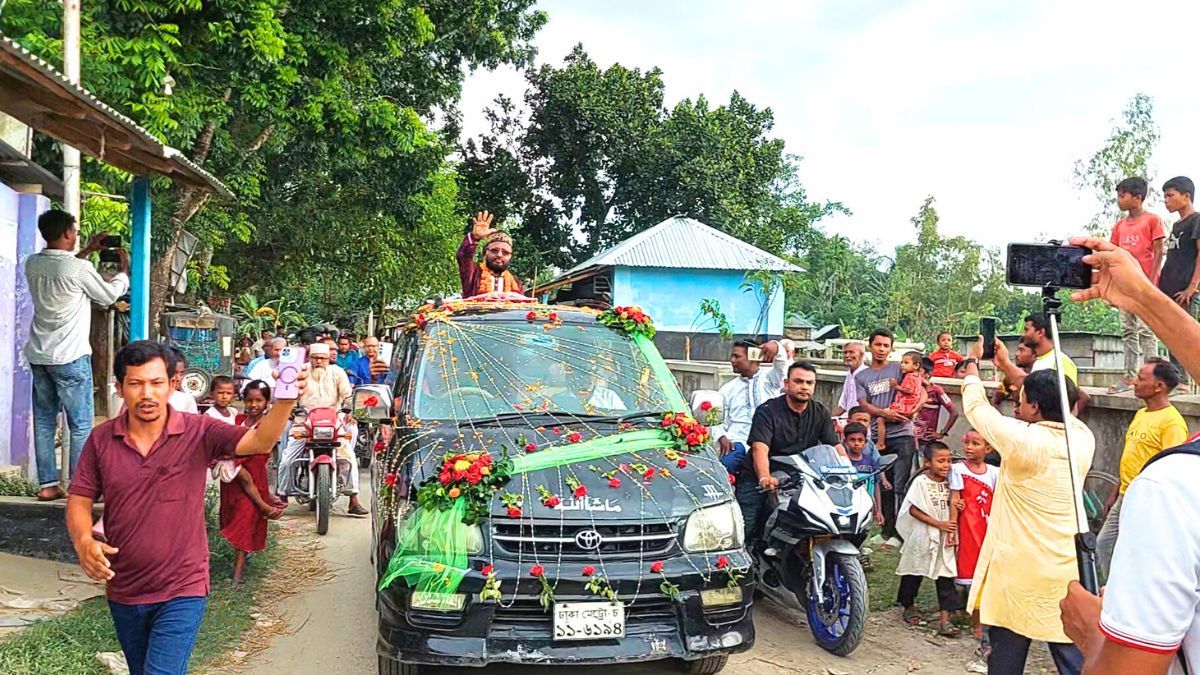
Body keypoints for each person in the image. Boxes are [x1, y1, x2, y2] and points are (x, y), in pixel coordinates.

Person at [66, 341, 305, 675]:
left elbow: (259, 442)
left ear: (172, 384)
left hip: (182, 586)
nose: (147, 393)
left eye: (156, 383)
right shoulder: (101, 439)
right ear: (119, 388)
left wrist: (286, 400)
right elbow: (80, 497)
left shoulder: (200, 431)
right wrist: (83, 541)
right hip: (123, 587)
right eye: (135, 384)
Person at [961, 343, 1093, 675]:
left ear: (1034, 406)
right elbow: (1054, 400)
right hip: (1065, 570)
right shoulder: (1082, 437)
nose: (1018, 403)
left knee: (1005, 656)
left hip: (1018, 571)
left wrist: (974, 367)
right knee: (1074, 657)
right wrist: (1006, 365)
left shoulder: (1023, 441)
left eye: (1023, 399)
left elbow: (977, 409)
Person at [25, 209, 130, 501]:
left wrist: (87, 250)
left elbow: (64, 269)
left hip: (40, 355)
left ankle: (47, 485)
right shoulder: (78, 269)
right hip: (70, 356)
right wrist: (124, 273)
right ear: (68, 233)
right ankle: (80, 488)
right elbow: (108, 296)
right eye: (74, 232)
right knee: (81, 424)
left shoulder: (32, 263)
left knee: (45, 421)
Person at [1095, 358, 1188, 578]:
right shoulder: (1141, 414)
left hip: (1146, 501)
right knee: (1104, 545)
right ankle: (1112, 590)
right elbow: (1131, 457)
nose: (1134, 383)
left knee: (1137, 552)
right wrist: (1116, 491)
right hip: (1124, 496)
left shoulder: (1172, 423)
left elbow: (1172, 469)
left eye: (1141, 378)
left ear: (1159, 387)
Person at [744, 361, 840, 544]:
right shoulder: (767, 411)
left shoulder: (820, 412)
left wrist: (849, 470)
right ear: (786, 384)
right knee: (747, 525)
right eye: (799, 381)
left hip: (802, 476)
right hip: (762, 476)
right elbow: (759, 448)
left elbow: (834, 445)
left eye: (809, 383)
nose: (804, 386)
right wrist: (764, 477)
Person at [278, 342, 368, 515]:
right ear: (309, 358)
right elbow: (289, 394)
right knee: (287, 459)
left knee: (348, 458)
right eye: (315, 358)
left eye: (322, 358)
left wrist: (351, 411)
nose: (319, 361)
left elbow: (348, 395)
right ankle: (282, 496)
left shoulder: (337, 372)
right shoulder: (300, 371)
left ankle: (353, 499)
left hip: (333, 424)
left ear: (328, 359)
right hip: (303, 423)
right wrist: (289, 408)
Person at [855, 329, 925, 543]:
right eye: (878, 345)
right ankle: (887, 531)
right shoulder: (861, 376)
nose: (881, 349)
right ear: (870, 346)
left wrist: (914, 410)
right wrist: (883, 413)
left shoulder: (900, 368)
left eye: (886, 346)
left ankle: (902, 533)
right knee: (885, 484)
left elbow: (921, 391)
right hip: (878, 435)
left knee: (902, 483)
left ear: (891, 349)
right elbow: (863, 404)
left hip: (903, 433)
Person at [218, 380, 283, 585]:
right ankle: (243, 557)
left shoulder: (267, 426)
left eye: (259, 400)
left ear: (267, 402)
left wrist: (266, 498)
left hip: (254, 480)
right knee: (235, 521)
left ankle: (237, 576)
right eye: (249, 400)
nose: (254, 405)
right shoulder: (237, 421)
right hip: (233, 481)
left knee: (244, 522)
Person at [896, 442, 963, 637]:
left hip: (945, 536)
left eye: (949, 461)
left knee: (945, 574)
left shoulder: (952, 482)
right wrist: (937, 523)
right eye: (940, 461)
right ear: (927, 462)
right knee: (914, 570)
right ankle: (908, 604)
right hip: (924, 533)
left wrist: (959, 506)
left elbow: (955, 503)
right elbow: (914, 510)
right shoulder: (921, 482)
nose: (946, 465)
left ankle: (945, 619)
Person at [1107, 177, 1165, 394]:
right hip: (1124, 287)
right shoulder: (1119, 226)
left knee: (1146, 329)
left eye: (1123, 196)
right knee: (1128, 330)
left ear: (1137, 198)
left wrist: (1151, 281)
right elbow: (1112, 255)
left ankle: (1153, 375)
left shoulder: (1152, 220)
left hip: (1145, 286)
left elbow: (1159, 251)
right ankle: (1130, 376)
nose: (1119, 200)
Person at [711, 339, 793, 475]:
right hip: (738, 441)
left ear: (754, 357)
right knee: (726, 465)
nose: (732, 360)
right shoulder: (727, 389)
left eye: (737, 356)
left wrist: (776, 346)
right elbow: (715, 419)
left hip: (769, 440)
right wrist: (722, 437)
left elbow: (782, 363)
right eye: (732, 356)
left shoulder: (770, 379)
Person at [949, 429, 999, 652]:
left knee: (985, 573)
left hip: (987, 527)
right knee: (967, 570)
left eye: (975, 443)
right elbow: (955, 498)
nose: (969, 447)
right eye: (967, 443)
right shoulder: (957, 470)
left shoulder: (995, 473)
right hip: (967, 527)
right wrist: (952, 527)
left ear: (988, 449)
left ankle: (978, 617)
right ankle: (968, 613)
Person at [1156, 176, 1200, 389]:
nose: (1166, 200)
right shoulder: (1175, 225)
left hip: (1185, 288)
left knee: (1184, 333)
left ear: (1186, 196)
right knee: (1171, 334)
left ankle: (1183, 381)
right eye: (1164, 196)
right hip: (1168, 286)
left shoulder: (1196, 220)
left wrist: (1192, 286)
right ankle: (1177, 379)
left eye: (1170, 195)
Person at [457, 210, 524, 297]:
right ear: (485, 254)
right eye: (494, 250)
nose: (499, 255)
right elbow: (463, 256)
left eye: (505, 253)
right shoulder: (473, 274)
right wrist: (475, 237)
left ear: (510, 257)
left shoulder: (515, 283)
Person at [842, 421, 884, 533]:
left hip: (866, 505)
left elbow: (875, 485)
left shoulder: (870, 462)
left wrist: (878, 510)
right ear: (845, 441)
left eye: (860, 440)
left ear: (865, 442)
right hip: (847, 505)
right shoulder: (841, 462)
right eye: (852, 440)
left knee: (864, 531)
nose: (856, 443)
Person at [878, 350, 924, 451]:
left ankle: (880, 443)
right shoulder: (916, 376)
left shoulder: (907, 375)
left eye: (905, 363)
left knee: (880, 419)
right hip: (906, 409)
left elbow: (918, 392)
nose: (902, 365)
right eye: (902, 362)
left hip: (903, 412)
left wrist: (896, 387)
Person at [915, 357, 959, 451]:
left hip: (926, 440)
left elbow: (954, 413)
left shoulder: (936, 391)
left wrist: (942, 433)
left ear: (928, 374)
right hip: (910, 437)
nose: (915, 375)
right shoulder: (909, 389)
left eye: (919, 371)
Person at [992, 341, 1035, 407]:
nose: (1016, 354)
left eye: (1021, 350)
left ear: (1035, 355)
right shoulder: (1011, 378)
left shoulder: (1041, 377)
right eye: (1018, 350)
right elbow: (996, 399)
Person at [832, 341, 867, 417]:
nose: (847, 355)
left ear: (861, 355)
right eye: (845, 353)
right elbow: (843, 406)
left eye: (851, 352)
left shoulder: (868, 375)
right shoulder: (849, 375)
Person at [166, 350, 199, 414]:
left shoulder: (187, 399)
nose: (178, 378)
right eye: (174, 373)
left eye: (181, 373)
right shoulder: (152, 397)